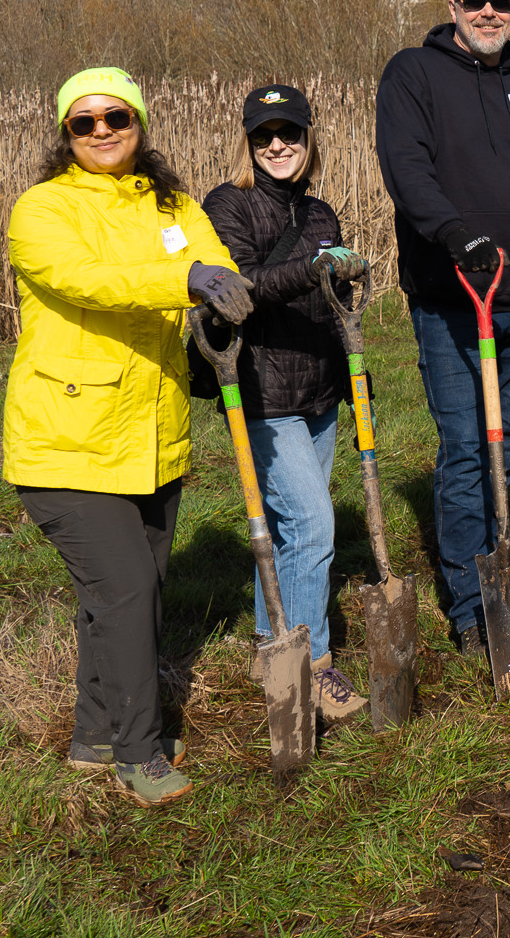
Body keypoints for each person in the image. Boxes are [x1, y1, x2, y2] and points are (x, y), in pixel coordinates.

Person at [5, 67, 246, 807]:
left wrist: (217, 287)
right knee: (128, 590)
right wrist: (185, 280)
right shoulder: (42, 209)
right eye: (85, 121)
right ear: (65, 134)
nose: (103, 130)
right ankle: (139, 753)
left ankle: (97, 733)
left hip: (153, 434)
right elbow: (89, 278)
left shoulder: (173, 204)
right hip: (66, 441)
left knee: (125, 597)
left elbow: (218, 266)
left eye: (118, 116)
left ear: (139, 122)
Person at [375, 0, 510, 655]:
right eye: (475, 1)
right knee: (467, 450)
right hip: (455, 301)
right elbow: (407, 168)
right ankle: (470, 606)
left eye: (501, 3)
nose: (488, 12)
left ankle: (496, 562)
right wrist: (454, 233)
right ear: (453, 5)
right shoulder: (413, 74)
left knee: (509, 444)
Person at [200, 84, 369, 727]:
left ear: (308, 138)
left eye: (289, 133)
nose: (277, 145)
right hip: (263, 392)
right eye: (264, 135)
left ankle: (271, 644)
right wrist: (317, 267)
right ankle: (312, 667)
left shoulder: (320, 212)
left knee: (286, 525)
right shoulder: (228, 203)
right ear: (247, 143)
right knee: (313, 526)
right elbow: (243, 284)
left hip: (319, 389)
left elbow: (332, 306)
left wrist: (354, 376)